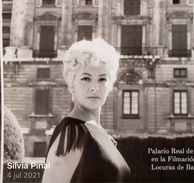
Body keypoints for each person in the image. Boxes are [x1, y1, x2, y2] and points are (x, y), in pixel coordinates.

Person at [42, 38, 131, 183]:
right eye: (86, 79)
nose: (94, 87)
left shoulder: (97, 131)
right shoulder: (72, 132)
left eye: (102, 79)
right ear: (72, 84)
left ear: (110, 85)